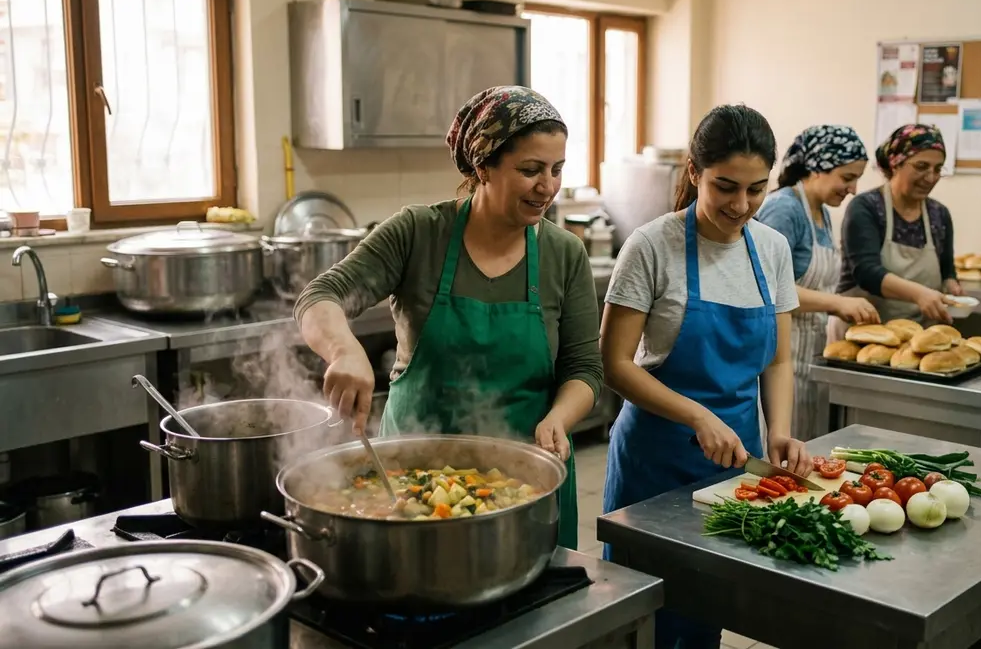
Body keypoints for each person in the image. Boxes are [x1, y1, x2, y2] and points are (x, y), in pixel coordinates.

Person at [293, 86, 603, 550]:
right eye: (530, 170)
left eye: (557, 169)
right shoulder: (419, 233)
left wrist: (559, 417)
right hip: (411, 477)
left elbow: (583, 369)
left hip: (527, 482)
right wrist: (344, 350)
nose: (548, 186)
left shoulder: (565, 254)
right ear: (483, 167)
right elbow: (321, 295)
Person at [600, 104, 811, 649]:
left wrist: (781, 431)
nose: (741, 205)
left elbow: (778, 360)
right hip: (655, 462)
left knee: (703, 612)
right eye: (725, 187)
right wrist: (697, 415)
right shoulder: (651, 246)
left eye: (757, 189)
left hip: (734, 466)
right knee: (645, 616)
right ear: (694, 172)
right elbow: (616, 365)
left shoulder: (772, 249)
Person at [756, 125, 876, 441]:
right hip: (779, 354)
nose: (853, 188)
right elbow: (766, 288)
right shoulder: (785, 208)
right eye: (847, 177)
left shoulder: (821, 211)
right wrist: (838, 303)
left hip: (810, 356)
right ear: (818, 168)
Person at [832, 124, 961, 335]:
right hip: (863, 333)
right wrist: (919, 294)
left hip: (919, 335)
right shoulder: (867, 207)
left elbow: (947, 270)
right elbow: (866, 272)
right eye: (921, 166)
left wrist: (951, 285)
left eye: (938, 169)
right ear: (895, 164)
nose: (930, 177)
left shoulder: (940, 214)